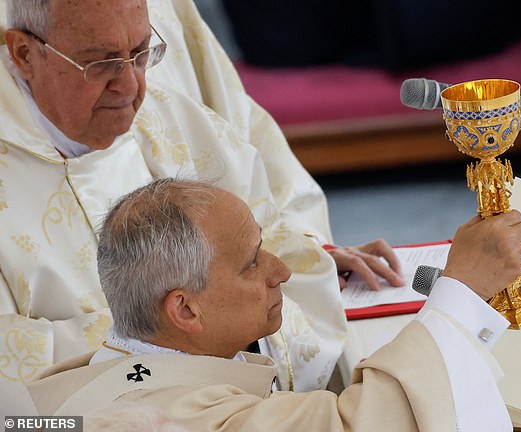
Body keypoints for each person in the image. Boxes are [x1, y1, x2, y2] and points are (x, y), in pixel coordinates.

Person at [0, 0, 403, 391]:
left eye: (141, 53)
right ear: (23, 53)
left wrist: (295, 265)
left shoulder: (173, 116)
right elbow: (17, 375)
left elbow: (285, 248)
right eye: (101, 62)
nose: (131, 87)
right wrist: (209, 322)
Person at [27, 178, 521, 431]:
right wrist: (462, 292)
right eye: (251, 262)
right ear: (184, 310)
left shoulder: (74, 387)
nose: (282, 271)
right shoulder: (185, 420)